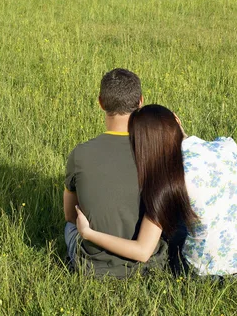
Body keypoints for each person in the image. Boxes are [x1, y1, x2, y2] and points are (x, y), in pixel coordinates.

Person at [75, 104, 237, 278]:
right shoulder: (227, 146)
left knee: (172, 220)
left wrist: (89, 233)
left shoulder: (165, 181)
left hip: (198, 274)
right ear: (177, 120)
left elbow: (143, 251)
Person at [63, 71, 167, 277]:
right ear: (140, 102)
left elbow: (69, 215)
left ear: (101, 103)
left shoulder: (80, 154)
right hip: (148, 261)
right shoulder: (156, 152)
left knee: (69, 227)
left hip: (91, 264)